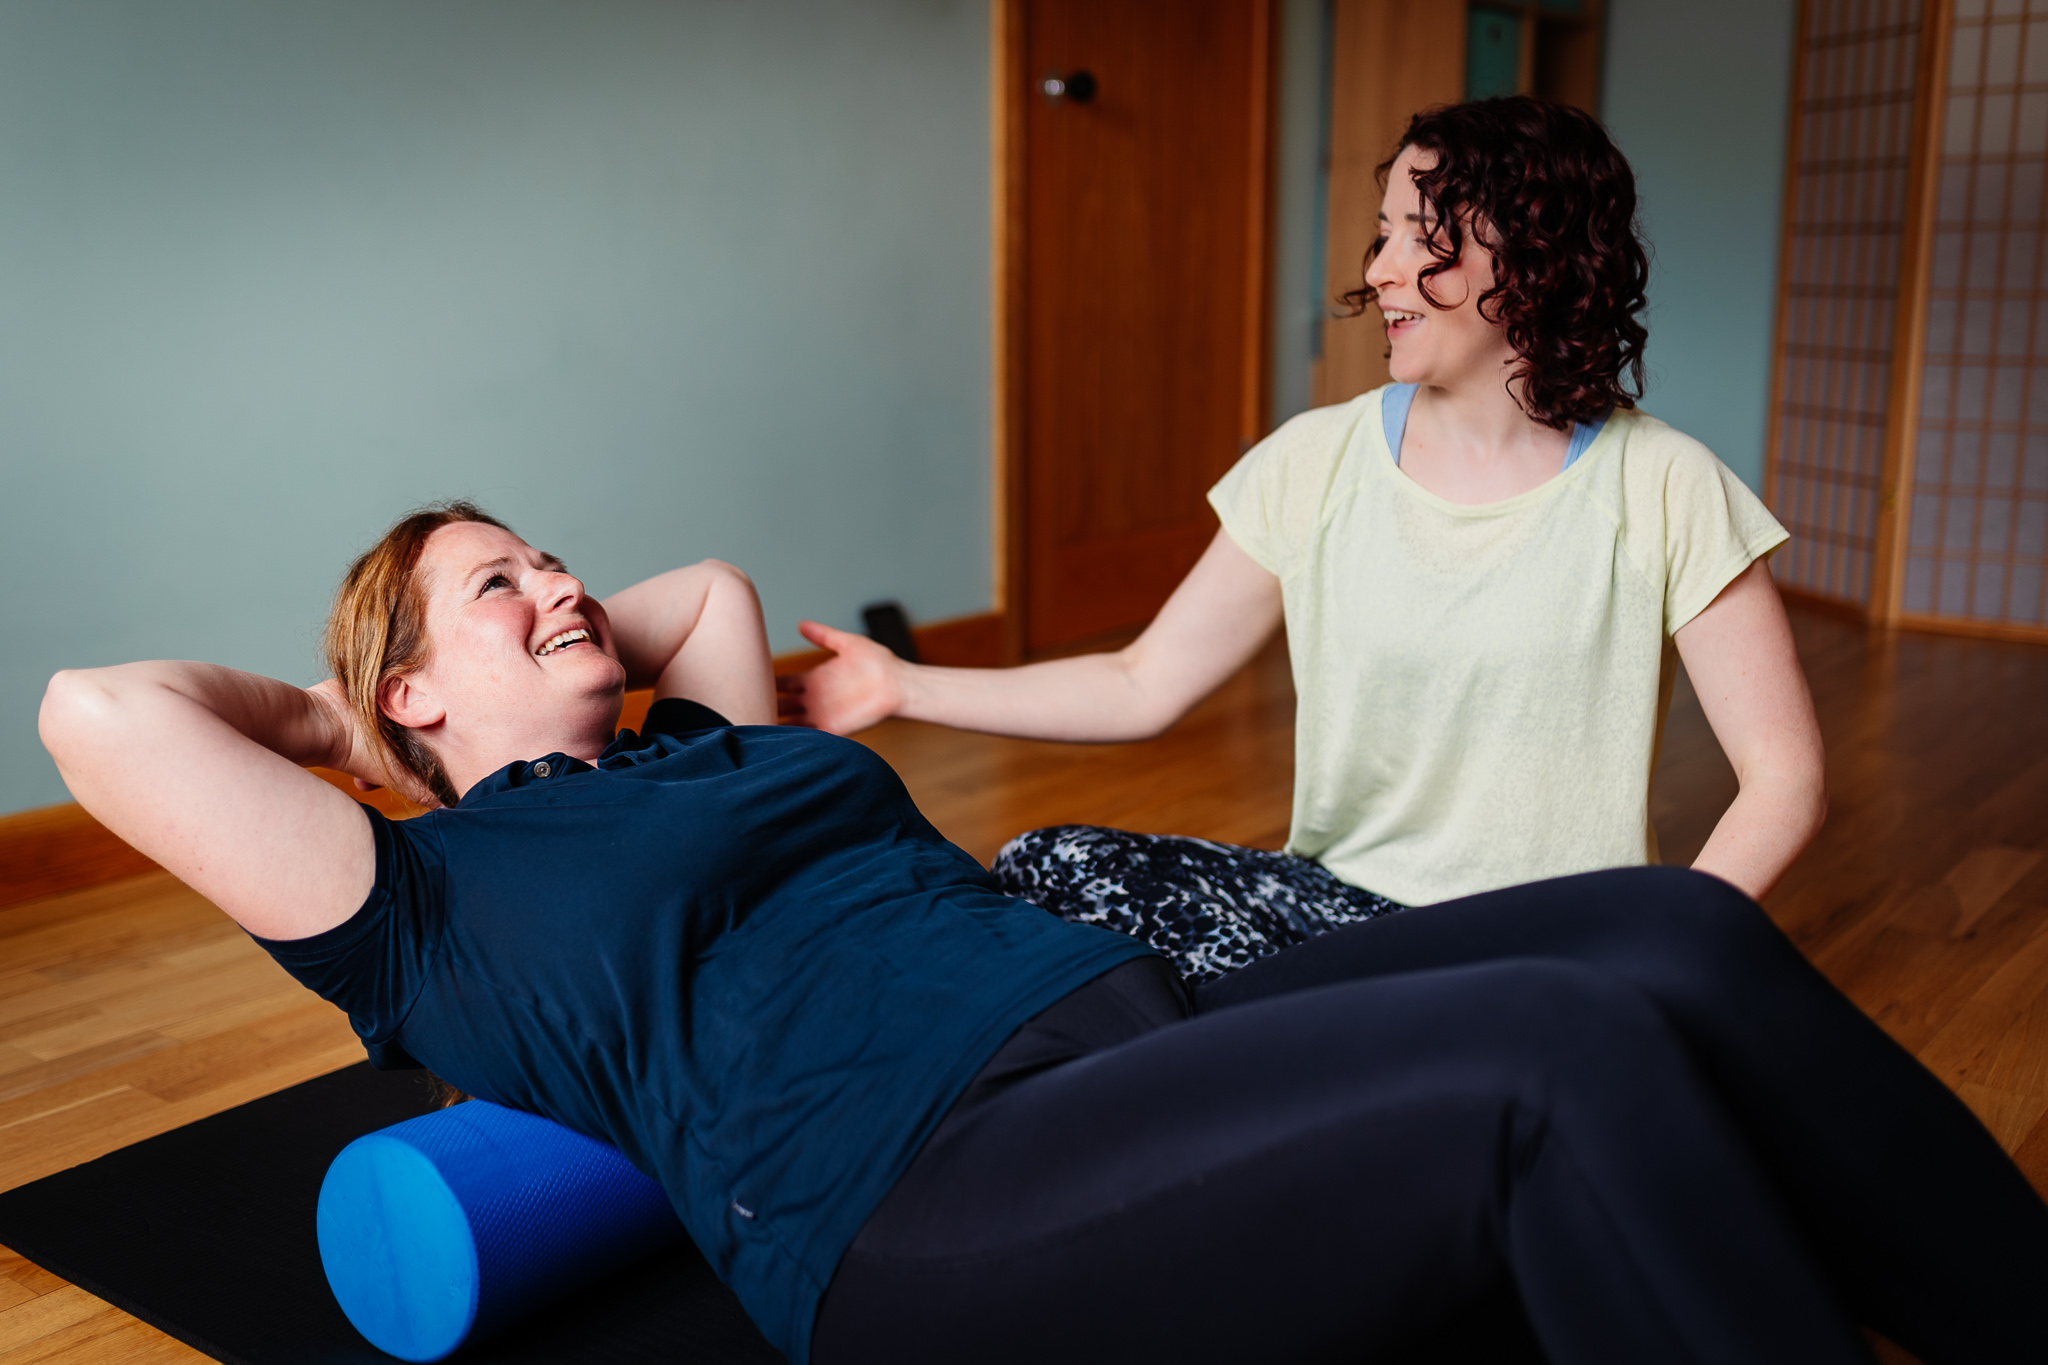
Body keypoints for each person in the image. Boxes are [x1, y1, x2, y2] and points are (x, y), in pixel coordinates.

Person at [39, 503, 2048, 1365]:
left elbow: (715, 582)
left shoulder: (709, 755)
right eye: (504, 586)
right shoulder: (424, 913)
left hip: (1135, 1032)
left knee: (1660, 941)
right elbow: (97, 717)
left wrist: (520, 638)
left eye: (556, 556)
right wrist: (355, 719)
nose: (566, 584)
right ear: (404, 696)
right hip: (918, 1195)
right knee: (1557, 1055)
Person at [779, 97, 1828, 983]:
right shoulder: (1313, 460)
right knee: (1050, 865)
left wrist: (1652, 959)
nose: (1378, 269)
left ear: (1538, 256)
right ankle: (1348, 1067)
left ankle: (1347, 1072)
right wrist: (902, 687)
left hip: (1544, 954)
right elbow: (1143, 681)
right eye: (1382, 233)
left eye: (1424, 236)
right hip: (1340, 918)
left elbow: (1782, 778)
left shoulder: (1664, 485)